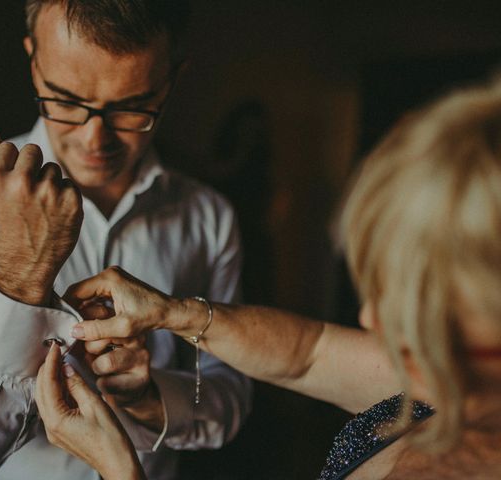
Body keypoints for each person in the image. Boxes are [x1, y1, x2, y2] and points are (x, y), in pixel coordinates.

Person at [36, 78, 501, 479]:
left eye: (423, 299)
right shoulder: (450, 384)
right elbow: (308, 353)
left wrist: (121, 469)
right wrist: (173, 312)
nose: (370, 316)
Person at [0, 1, 252, 479]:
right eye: (66, 101)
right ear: (33, 58)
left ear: (171, 81)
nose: (94, 139)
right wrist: (20, 276)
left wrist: (151, 399)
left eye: (132, 108)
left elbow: (227, 395)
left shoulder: (210, 219)